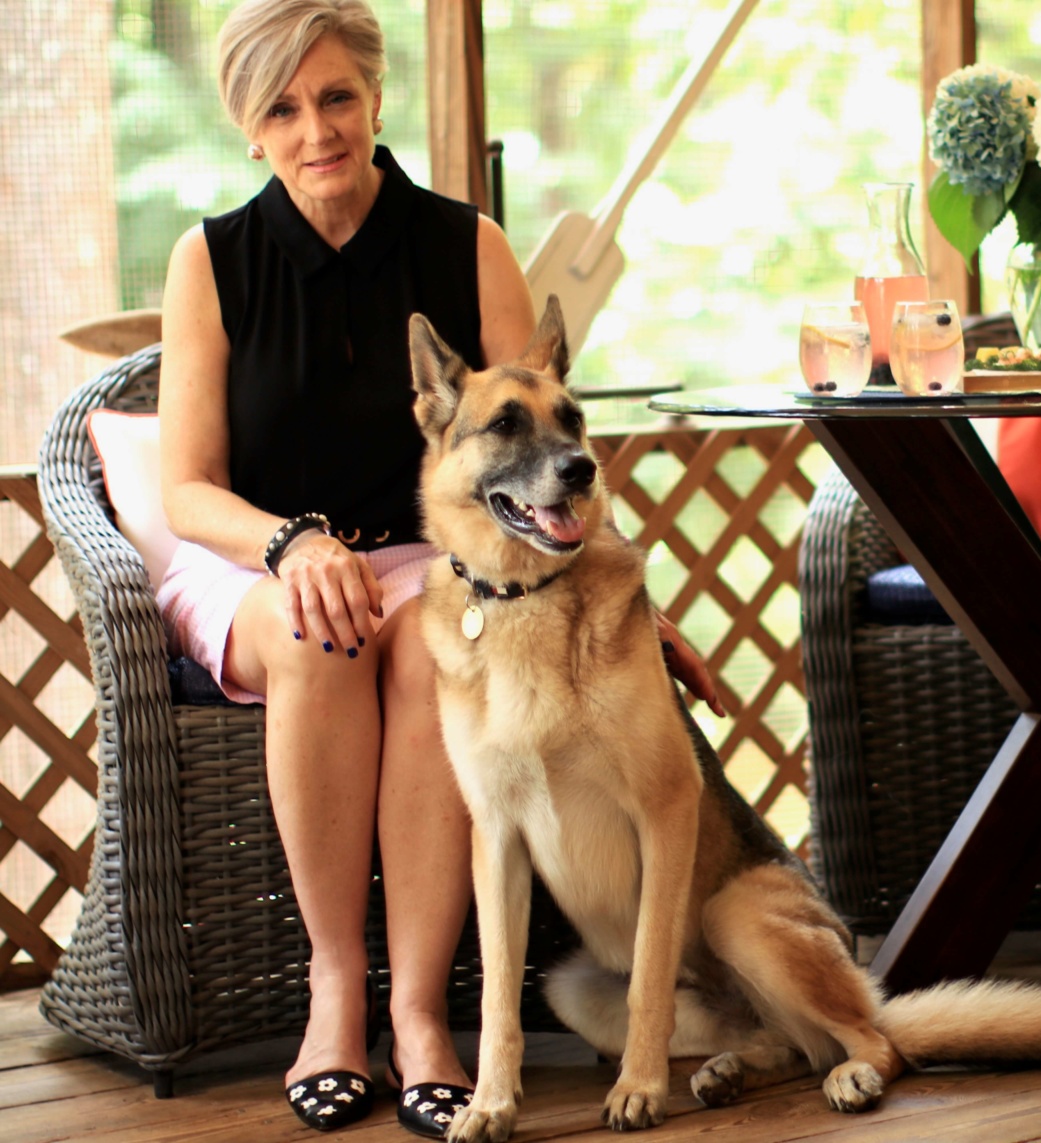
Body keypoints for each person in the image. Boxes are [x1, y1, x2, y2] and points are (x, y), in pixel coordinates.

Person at [155, 1, 722, 1135]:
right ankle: (334, 994)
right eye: (282, 108)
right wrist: (292, 546)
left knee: (433, 654)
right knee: (325, 628)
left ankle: (420, 1016)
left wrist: (614, 596)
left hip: (442, 563)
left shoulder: (465, 240)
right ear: (248, 129)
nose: (315, 128)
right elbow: (185, 490)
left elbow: (540, 449)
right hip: (256, 559)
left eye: (335, 98)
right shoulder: (209, 259)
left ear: (373, 101)